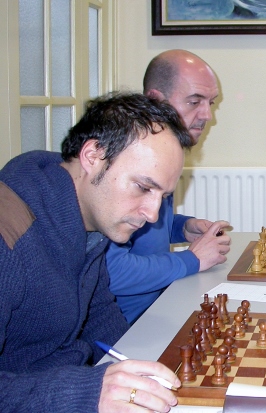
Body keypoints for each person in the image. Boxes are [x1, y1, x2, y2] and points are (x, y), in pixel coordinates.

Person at [0, 92, 193, 412]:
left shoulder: (89, 223)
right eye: (143, 187)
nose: (152, 214)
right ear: (93, 155)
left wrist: (143, 367)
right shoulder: (9, 235)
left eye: (162, 195)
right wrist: (84, 393)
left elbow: (99, 313)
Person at [106, 49, 231, 324]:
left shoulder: (163, 151)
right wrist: (192, 260)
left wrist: (181, 227)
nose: (207, 115)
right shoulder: (126, 158)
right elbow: (111, 272)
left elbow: (141, 223)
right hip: (126, 326)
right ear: (155, 100)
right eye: (194, 101)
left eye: (211, 103)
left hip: (161, 304)